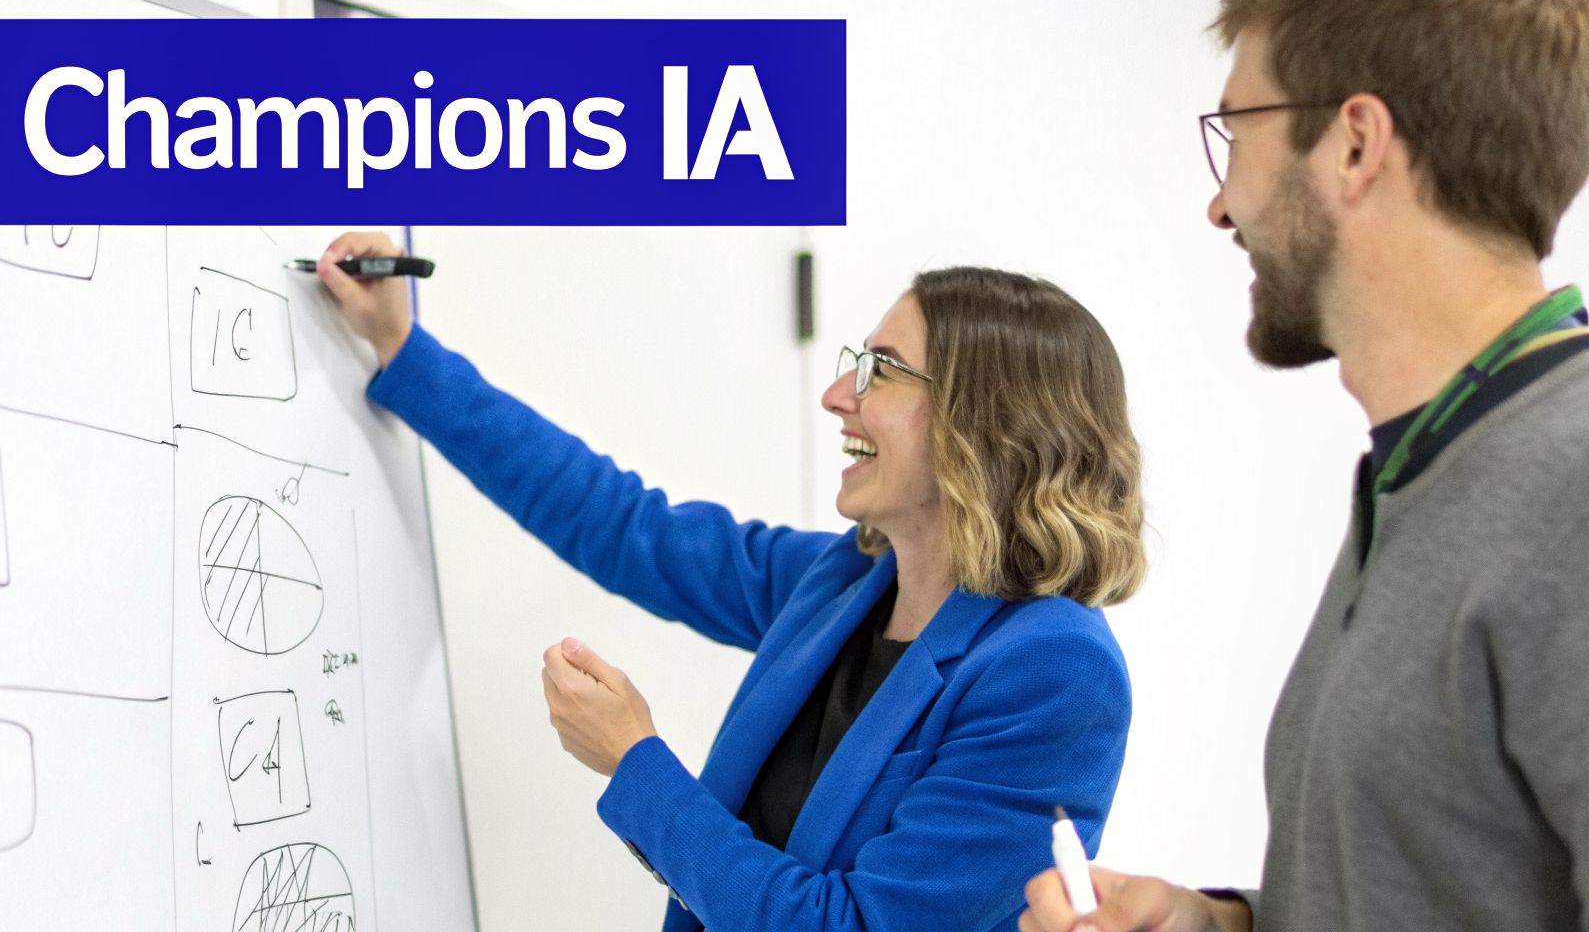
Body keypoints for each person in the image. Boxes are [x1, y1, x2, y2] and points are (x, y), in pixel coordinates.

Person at [1020, 0, 1589, 930]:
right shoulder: (1421, 470)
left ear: (1352, 143)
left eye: (1237, 133)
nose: (1221, 206)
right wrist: (1221, 924)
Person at [317, 234, 1148, 932]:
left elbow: (846, 925)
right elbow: (621, 525)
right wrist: (402, 348)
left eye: (880, 373)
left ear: (986, 421)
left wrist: (634, 760)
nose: (835, 395)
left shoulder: (1055, 672)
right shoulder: (843, 582)